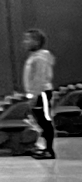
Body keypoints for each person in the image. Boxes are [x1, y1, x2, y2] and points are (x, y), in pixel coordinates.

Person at [19, 28, 55, 159]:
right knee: (40, 120)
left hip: (42, 93)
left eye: (28, 39)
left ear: (37, 41)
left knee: (45, 120)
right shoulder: (34, 57)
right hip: (37, 94)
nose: (25, 42)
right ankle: (45, 147)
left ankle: (49, 150)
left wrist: (35, 96)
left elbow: (39, 78)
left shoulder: (40, 58)